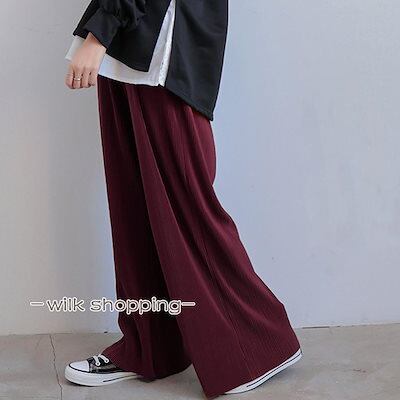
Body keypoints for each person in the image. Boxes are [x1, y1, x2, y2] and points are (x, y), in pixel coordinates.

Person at [63, 0, 302, 397]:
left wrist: (99, 32)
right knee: (135, 213)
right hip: (131, 40)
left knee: (187, 212)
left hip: (161, 43)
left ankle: (255, 347)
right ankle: (150, 347)